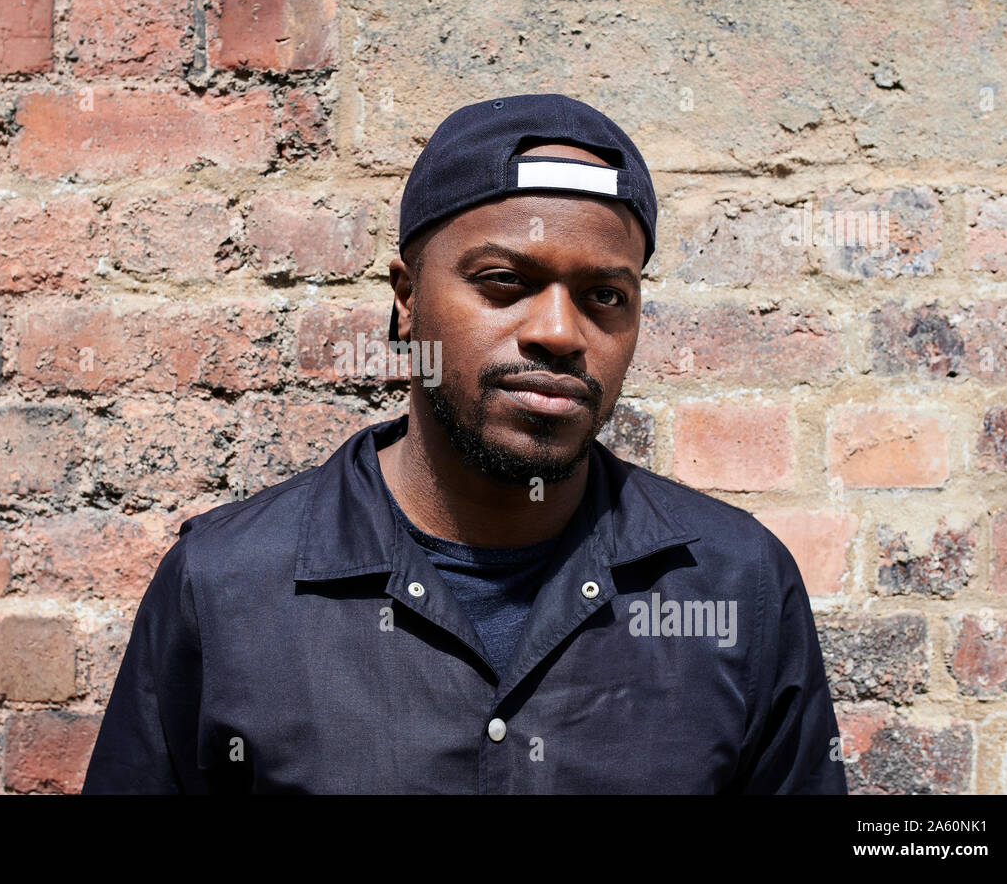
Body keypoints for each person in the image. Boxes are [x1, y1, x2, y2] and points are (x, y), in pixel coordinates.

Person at [82, 93, 848, 794]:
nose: (557, 332)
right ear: (408, 301)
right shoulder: (226, 587)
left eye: (604, 297)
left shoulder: (732, 584)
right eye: (504, 282)